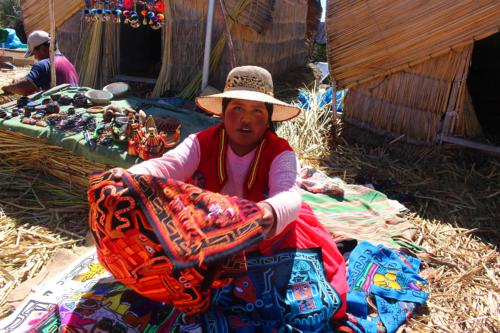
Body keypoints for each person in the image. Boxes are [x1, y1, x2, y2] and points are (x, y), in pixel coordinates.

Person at [122, 66, 348, 331]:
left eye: (257, 111)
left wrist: (266, 211)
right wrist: (126, 178)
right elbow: (166, 166)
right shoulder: (201, 142)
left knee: (291, 305)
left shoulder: (280, 152)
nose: (246, 120)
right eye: (237, 108)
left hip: (266, 233)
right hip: (207, 231)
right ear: (224, 113)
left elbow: (288, 194)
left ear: (269, 118)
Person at [2, 30, 79, 96]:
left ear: (42, 49)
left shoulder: (44, 64)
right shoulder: (67, 62)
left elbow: (24, 89)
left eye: (35, 53)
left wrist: (9, 88)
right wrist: (22, 80)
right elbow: (38, 79)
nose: (35, 58)